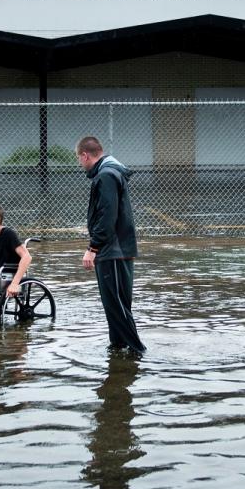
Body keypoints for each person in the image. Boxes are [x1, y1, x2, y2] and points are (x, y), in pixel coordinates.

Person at [77, 135, 145, 354]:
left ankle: (138, 351)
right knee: (117, 305)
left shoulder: (106, 175)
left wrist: (92, 248)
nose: (81, 164)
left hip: (112, 251)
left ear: (85, 155)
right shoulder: (111, 172)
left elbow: (107, 216)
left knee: (116, 306)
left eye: (80, 159)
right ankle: (118, 346)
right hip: (118, 250)